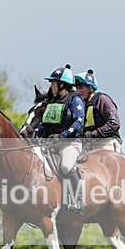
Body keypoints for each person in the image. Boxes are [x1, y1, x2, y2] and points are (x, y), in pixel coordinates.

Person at [33, 64, 86, 213]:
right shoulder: (53, 101)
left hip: (70, 143)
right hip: (51, 142)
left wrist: (63, 135)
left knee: (65, 166)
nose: (51, 85)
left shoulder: (75, 100)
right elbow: (44, 123)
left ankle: (78, 201)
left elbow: (79, 122)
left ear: (62, 84)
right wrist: (35, 136)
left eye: (53, 82)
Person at [74, 69, 122, 153]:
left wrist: (94, 134)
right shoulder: (80, 105)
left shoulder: (102, 100)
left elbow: (114, 123)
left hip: (106, 142)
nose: (78, 91)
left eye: (81, 88)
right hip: (87, 145)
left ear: (90, 88)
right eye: (77, 88)